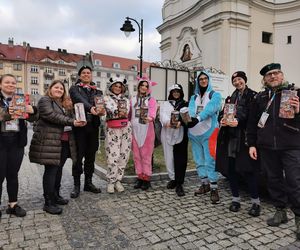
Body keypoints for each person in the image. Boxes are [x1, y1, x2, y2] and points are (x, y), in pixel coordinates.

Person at [247, 63, 300, 240]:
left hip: (291, 145)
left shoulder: (295, 93)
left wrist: (299, 111)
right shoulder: (260, 98)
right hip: (267, 147)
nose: (273, 76)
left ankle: (299, 218)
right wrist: (252, 144)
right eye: (269, 74)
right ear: (264, 79)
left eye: (276, 73)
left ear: (282, 75)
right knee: (273, 180)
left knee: (294, 182)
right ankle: (280, 211)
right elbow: (252, 122)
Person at [29, 80, 86, 214]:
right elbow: (51, 116)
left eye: (61, 88)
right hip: (50, 141)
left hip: (63, 141)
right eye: (56, 87)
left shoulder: (62, 104)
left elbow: (67, 118)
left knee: (58, 169)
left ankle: (56, 195)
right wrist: (72, 121)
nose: (59, 90)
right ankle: (48, 202)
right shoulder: (45, 100)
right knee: (51, 171)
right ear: (50, 88)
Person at [216, 71, 260, 216]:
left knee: (248, 171)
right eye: (234, 80)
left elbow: (253, 117)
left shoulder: (253, 96)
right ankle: (235, 199)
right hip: (230, 138)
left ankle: (255, 202)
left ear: (245, 80)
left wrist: (239, 121)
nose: (237, 82)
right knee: (231, 170)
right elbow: (223, 113)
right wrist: (222, 119)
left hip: (245, 138)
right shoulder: (230, 97)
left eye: (239, 79)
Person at [0, 74, 36, 217]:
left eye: (13, 83)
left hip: (16, 140)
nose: (11, 85)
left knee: (12, 174)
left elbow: (32, 118)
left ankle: (13, 204)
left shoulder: (20, 99)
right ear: (1, 85)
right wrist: (11, 111)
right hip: (1, 140)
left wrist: (33, 111)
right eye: (7, 82)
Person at [69, 66, 105, 198]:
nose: (86, 74)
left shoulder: (98, 91)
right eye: (83, 73)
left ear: (91, 75)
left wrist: (102, 110)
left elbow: (100, 106)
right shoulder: (74, 89)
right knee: (78, 157)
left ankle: (88, 183)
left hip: (93, 127)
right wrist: (92, 108)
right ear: (79, 76)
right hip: (80, 127)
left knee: (91, 157)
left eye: (88, 73)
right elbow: (79, 100)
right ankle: (76, 185)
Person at [187, 70, 222, 204]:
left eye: (205, 78)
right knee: (198, 160)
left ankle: (214, 188)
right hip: (194, 133)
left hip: (209, 132)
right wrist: (189, 119)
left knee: (210, 160)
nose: (202, 80)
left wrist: (199, 117)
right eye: (200, 79)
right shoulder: (193, 97)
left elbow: (212, 108)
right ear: (197, 81)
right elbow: (191, 110)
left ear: (209, 80)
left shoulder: (215, 95)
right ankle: (204, 184)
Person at [103, 78, 132, 194]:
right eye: (116, 86)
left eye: (120, 87)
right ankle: (111, 181)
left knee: (124, 154)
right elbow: (107, 112)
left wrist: (117, 112)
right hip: (112, 129)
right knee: (112, 155)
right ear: (111, 87)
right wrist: (116, 112)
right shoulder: (106, 99)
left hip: (125, 128)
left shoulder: (126, 100)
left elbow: (126, 111)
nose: (118, 88)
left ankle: (118, 180)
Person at [160, 84, 189, 196]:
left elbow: (187, 117)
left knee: (180, 158)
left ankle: (179, 182)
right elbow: (162, 115)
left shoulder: (185, 104)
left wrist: (180, 122)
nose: (176, 93)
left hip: (181, 132)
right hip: (167, 131)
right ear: (170, 93)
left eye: (178, 91)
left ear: (181, 92)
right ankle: (172, 178)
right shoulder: (165, 104)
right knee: (169, 156)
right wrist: (169, 123)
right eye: (174, 91)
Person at [131, 77, 157, 190]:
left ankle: (146, 178)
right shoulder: (132, 99)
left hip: (147, 130)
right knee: (137, 156)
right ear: (139, 86)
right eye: (142, 85)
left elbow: (153, 112)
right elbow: (128, 114)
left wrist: (150, 118)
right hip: (134, 131)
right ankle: (140, 177)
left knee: (146, 156)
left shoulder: (151, 100)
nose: (144, 87)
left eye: (146, 86)